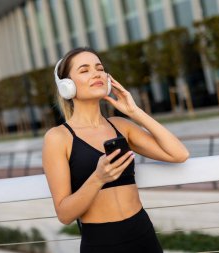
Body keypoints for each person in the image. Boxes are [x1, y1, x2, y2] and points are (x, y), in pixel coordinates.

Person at [42, 47, 189, 253]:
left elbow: (179, 154)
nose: (96, 74)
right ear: (67, 86)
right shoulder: (58, 138)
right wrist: (98, 178)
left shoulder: (121, 126)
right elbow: (64, 214)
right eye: (84, 70)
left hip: (143, 235)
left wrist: (134, 112)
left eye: (100, 68)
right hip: (102, 243)